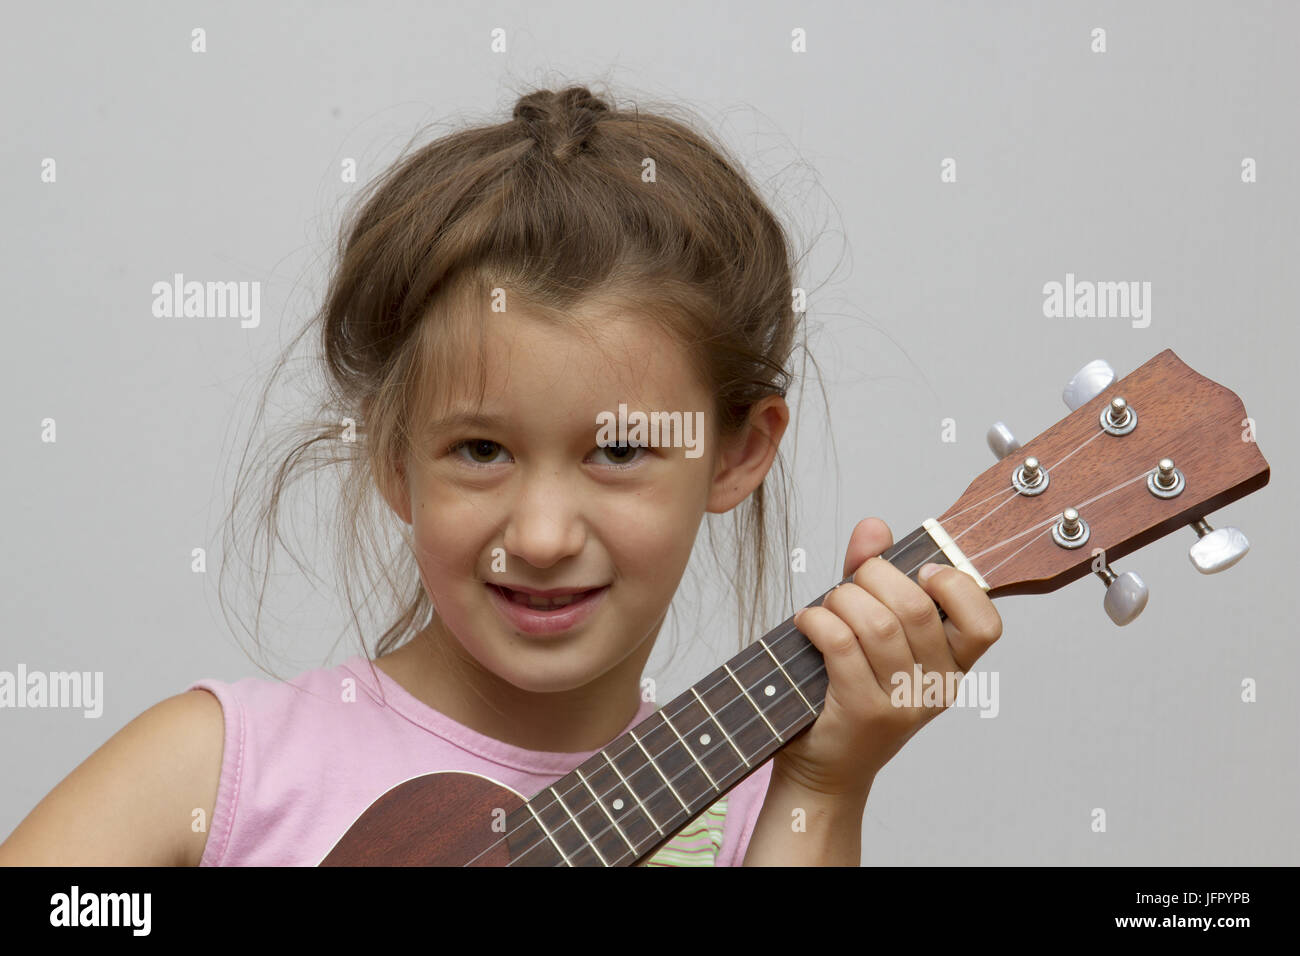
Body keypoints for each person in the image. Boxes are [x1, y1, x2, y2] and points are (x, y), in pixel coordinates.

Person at [0, 84, 1002, 867]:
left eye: (618, 450)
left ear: (736, 450)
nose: (541, 533)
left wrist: (824, 791)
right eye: (481, 450)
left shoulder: (755, 821)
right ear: (395, 458)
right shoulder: (218, 767)